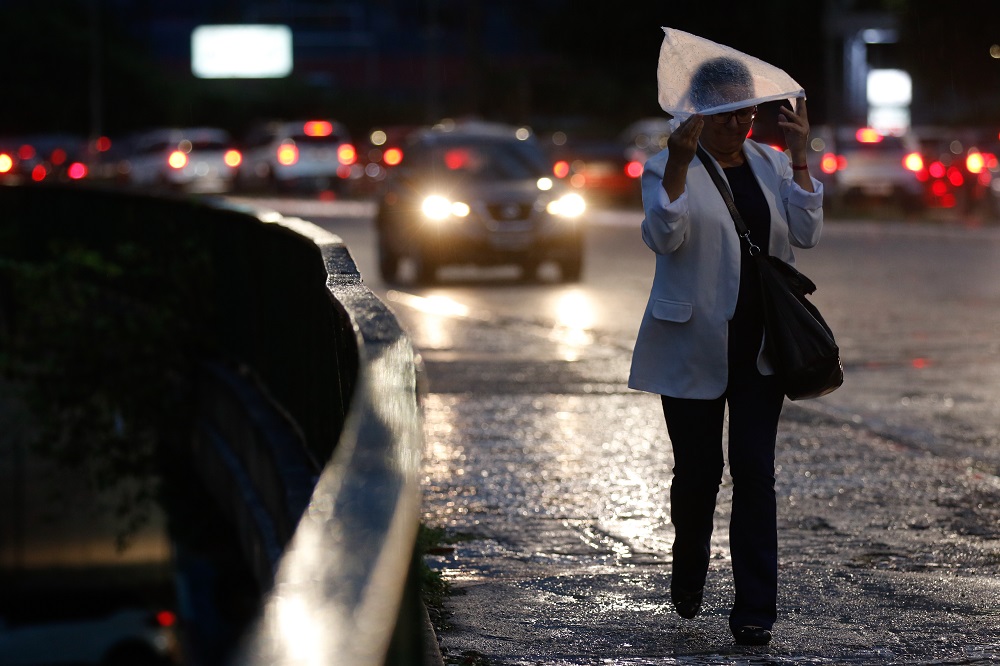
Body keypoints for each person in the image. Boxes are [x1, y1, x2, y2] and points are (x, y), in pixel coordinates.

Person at [627, 56, 824, 647]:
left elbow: (807, 235)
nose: (740, 123)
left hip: (764, 348)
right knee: (698, 474)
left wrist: (801, 157)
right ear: (698, 112)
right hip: (691, 343)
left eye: (747, 111)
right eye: (726, 114)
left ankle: (755, 610)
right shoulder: (665, 164)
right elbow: (665, 237)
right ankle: (688, 574)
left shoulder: (769, 162)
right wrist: (681, 171)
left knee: (755, 474)